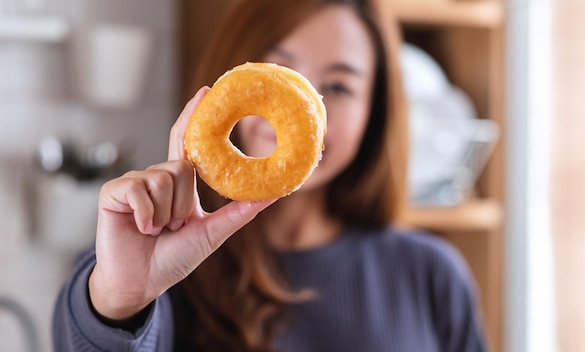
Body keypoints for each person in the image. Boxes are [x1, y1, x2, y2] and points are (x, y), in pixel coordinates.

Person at [53, 0, 488, 351]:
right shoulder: (158, 263)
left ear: (376, 112)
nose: (303, 111)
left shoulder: (431, 273)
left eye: (338, 87)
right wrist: (121, 300)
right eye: (278, 73)